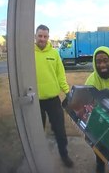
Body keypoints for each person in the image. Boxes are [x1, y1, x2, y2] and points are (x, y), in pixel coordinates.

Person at [34, 24, 74, 168]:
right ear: (35, 36)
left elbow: (60, 75)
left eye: (45, 36)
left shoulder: (55, 54)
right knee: (37, 132)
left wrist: (67, 92)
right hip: (35, 102)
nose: (42, 39)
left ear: (48, 37)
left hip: (53, 100)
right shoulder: (29, 53)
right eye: (40, 36)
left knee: (60, 131)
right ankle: (37, 158)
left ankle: (64, 155)